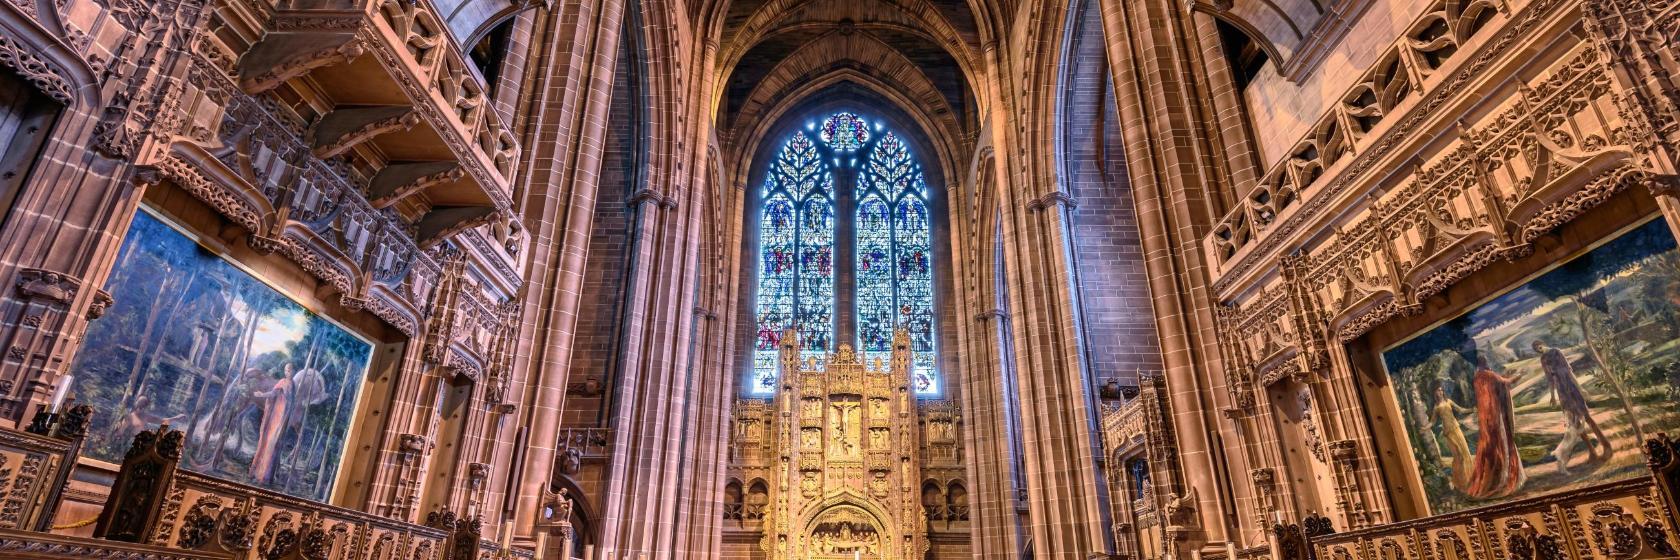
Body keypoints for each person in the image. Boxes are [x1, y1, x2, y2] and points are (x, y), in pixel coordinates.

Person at [1533, 340, 1611, 472]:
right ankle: (1592, 452)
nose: (1538, 349)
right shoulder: (1543, 359)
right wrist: (1552, 396)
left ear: (1542, 344)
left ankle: (1606, 446)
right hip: (1561, 391)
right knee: (1575, 423)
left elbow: (1569, 371)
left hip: (1571, 387)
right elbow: (1549, 379)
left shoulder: (1556, 351)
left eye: (1538, 346)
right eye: (1535, 349)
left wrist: (1580, 388)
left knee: (1587, 417)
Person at [1465, 355, 1525, 499]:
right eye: (1486, 360)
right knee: (1501, 444)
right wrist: (1520, 375)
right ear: (1484, 362)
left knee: (1490, 447)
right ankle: (1502, 480)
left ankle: (1491, 480)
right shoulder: (1489, 375)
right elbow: (1506, 382)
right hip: (1495, 416)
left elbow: (1495, 385)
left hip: (1486, 418)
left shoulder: (1477, 377)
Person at [1428, 386, 1475, 491]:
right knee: (1457, 455)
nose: (1440, 392)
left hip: (1456, 428)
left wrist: (1472, 409)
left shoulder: (1448, 401)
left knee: (1465, 452)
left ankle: (1470, 479)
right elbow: (1432, 422)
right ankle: (1460, 482)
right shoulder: (1436, 407)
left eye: (1441, 390)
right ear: (1435, 393)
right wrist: (1424, 428)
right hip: (1448, 432)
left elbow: (1461, 410)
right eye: (1438, 390)